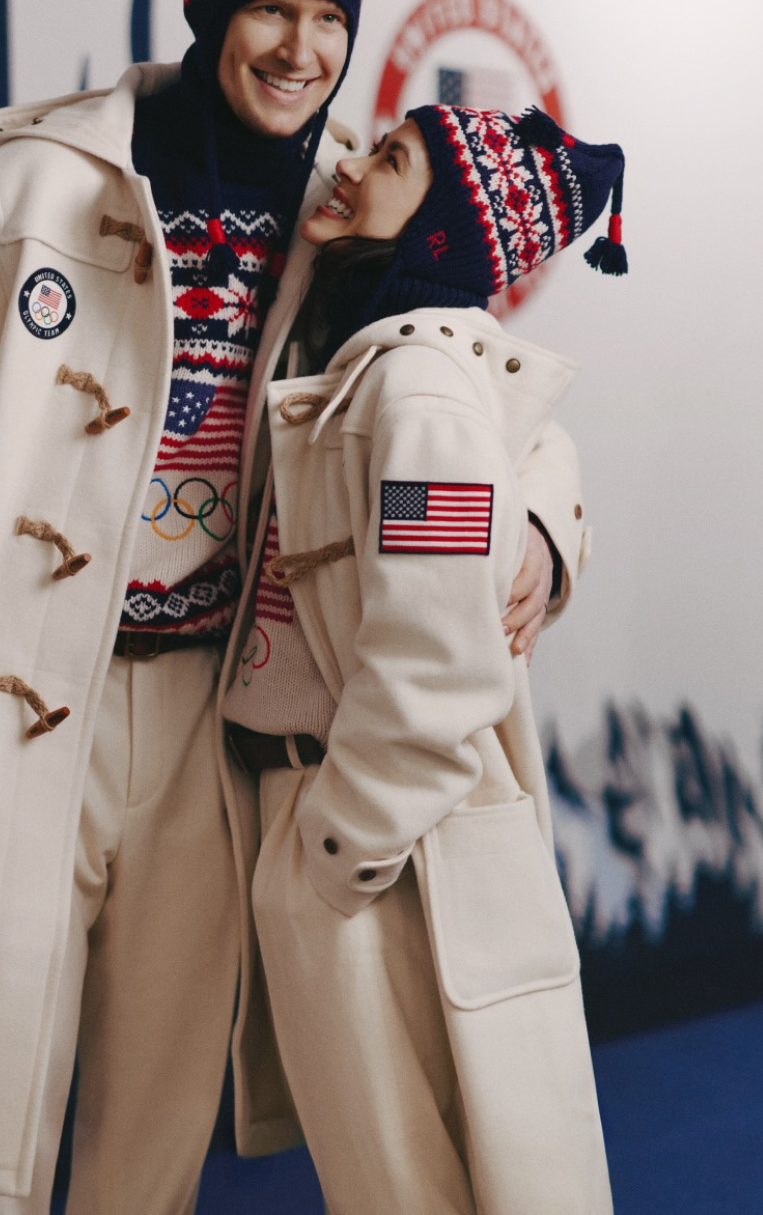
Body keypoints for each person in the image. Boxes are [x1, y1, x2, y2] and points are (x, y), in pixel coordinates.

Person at [0, 0, 582, 1214]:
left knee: (151, 1135)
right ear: (210, 2)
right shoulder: (34, 187)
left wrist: (537, 530)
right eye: (274, 8)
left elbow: (490, 397)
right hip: (14, 699)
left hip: (208, 732)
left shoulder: (358, 204)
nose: (303, 49)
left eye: (332, 19)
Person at [222, 104, 625, 1214]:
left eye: (389, 161)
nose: (349, 167)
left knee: (410, 1186)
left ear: (439, 233)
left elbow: (439, 663)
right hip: (356, 832)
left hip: (383, 851)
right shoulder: (362, 360)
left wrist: (332, 852)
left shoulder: (416, 393)